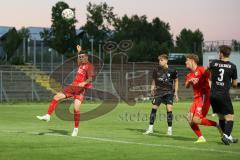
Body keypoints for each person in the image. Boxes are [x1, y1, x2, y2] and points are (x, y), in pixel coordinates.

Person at [37, 45, 95, 137]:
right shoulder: (81, 65)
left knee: (76, 109)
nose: (80, 58)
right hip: (73, 86)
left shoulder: (89, 66)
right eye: (80, 57)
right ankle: (48, 116)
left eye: (82, 57)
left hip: (80, 90)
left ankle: (76, 129)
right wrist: (78, 52)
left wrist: (84, 82)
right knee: (56, 97)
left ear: (86, 57)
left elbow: (91, 78)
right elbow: (78, 60)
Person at [185, 54, 221, 143]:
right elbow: (186, 85)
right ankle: (201, 137)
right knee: (189, 119)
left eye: (187, 60)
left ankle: (218, 125)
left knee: (196, 120)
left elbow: (210, 76)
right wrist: (190, 81)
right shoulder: (189, 75)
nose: (185, 62)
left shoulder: (201, 69)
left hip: (204, 97)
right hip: (196, 99)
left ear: (192, 60)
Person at [209, 45, 238, 145]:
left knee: (221, 117)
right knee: (230, 117)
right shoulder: (233, 66)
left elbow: (210, 76)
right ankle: (225, 136)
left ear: (221, 53)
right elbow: (234, 84)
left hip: (212, 95)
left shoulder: (214, 63)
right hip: (223, 95)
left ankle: (228, 137)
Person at [144, 54, 179, 136]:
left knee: (169, 109)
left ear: (166, 61)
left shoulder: (173, 70)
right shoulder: (156, 70)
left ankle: (169, 130)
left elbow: (176, 81)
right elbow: (153, 80)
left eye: (162, 60)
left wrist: (176, 92)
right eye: (159, 60)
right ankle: (150, 129)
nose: (160, 62)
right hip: (159, 92)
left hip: (169, 92)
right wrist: (152, 88)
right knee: (154, 108)